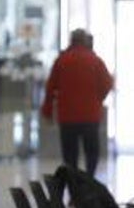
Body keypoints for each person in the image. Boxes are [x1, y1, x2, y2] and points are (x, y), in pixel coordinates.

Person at [40, 29, 114, 175]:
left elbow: (50, 88)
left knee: (70, 155)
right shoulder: (95, 60)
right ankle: (89, 180)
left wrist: (47, 112)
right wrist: (97, 99)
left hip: (67, 117)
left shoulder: (61, 61)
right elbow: (108, 83)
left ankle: (74, 186)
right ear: (85, 41)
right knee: (92, 152)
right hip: (90, 116)